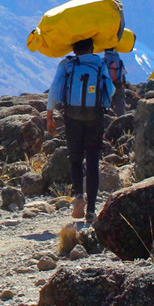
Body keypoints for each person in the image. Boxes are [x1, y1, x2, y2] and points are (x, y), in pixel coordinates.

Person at [46, 39, 114, 222]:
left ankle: (78, 196)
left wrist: (50, 116)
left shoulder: (67, 64)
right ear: (92, 48)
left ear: (74, 49)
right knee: (92, 160)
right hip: (95, 116)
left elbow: (54, 88)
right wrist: (105, 105)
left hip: (72, 115)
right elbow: (110, 88)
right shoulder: (99, 63)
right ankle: (91, 210)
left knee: (75, 159)